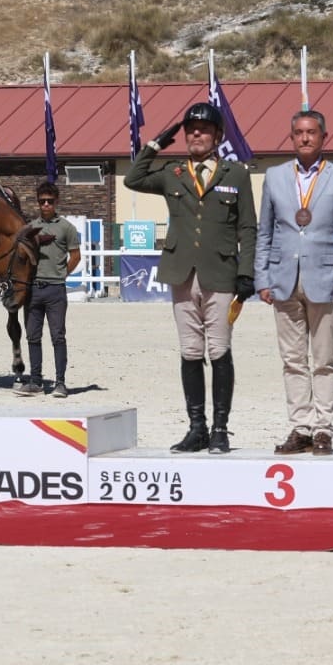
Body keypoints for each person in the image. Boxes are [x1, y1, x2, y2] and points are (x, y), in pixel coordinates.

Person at [124, 102, 257, 454]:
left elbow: (247, 226)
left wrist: (247, 272)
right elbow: (132, 178)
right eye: (190, 129)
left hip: (221, 272)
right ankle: (196, 428)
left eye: (204, 128)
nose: (196, 133)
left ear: (217, 136)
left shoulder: (236, 174)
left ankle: (220, 429)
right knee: (190, 351)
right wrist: (155, 144)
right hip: (182, 273)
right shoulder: (173, 172)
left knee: (220, 350)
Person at [253, 109, 333, 455]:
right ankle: (300, 427)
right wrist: (262, 277)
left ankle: (323, 430)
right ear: (291, 137)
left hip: (327, 280)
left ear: (323, 137)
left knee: (325, 358)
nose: (305, 138)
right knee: (292, 360)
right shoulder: (273, 177)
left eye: (312, 132)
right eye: (299, 132)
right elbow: (265, 232)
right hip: (283, 280)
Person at [15, 182, 81, 398]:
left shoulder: (66, 228)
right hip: (32, 289)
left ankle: (60, 382)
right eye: (42, 201)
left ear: (56, 202)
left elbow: (75, 256)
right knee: (32, 336)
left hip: (55, 290)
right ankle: (35, 381)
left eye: (49, 201)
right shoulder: (28, 228)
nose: (45, 205)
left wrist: (62, 274)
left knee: (57, 336)